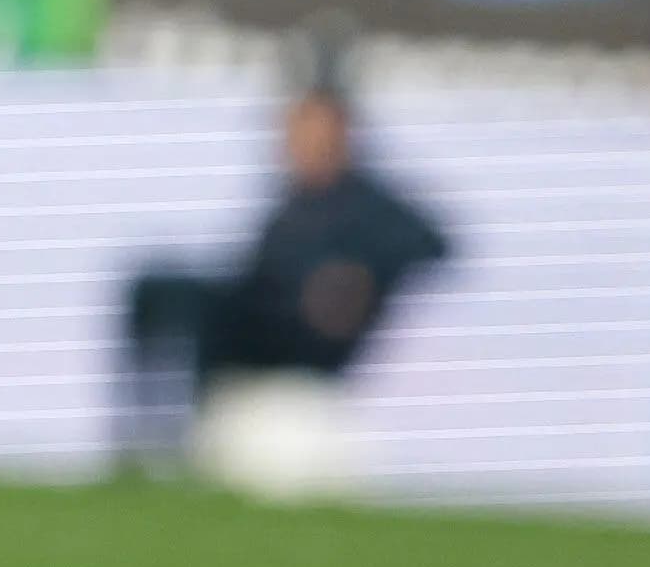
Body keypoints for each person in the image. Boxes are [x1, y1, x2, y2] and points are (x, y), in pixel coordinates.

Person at [116, 84, 450, 474]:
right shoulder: (295, 201)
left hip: (303, 344)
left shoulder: (365, 201)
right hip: (257, 317)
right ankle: (150, 429)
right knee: (162, 289)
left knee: (210, 314)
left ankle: (189, 432)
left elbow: (434, 243)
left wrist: (359, 275)